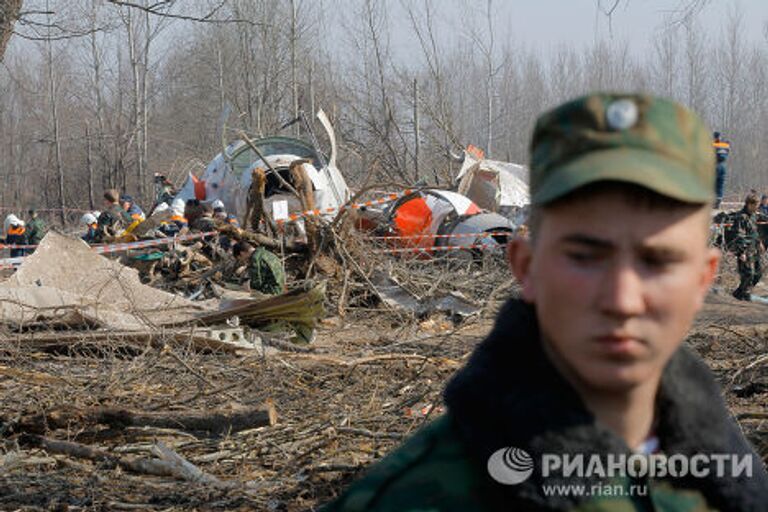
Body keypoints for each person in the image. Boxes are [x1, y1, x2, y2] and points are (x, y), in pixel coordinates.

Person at [324, 94, 768, 511]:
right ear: (526, 266)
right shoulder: (415, 496)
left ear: (702, 278)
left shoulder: (732, 483)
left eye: (659, 259)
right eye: (585, 255)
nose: (622, 299)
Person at [731, 193, 764, 301]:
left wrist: (759, 243)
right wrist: (741, 252)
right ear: (749, 204)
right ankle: (742, 294)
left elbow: (754, 231)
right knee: (748, 274)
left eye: (758, 205)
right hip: (745, 250)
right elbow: (738, 236)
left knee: (758, 273)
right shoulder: (741, 217)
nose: (757, 208)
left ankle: (741, 292)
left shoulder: (753, 215)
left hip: (754, 248)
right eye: (755, 205)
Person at [712, 131, 731, 209]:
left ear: (715, 137)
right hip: (723, 166)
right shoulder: (725, 144)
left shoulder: (713, 144)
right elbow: (728, 150)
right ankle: (718, 202)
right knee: (720, 185)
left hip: (716, 165)